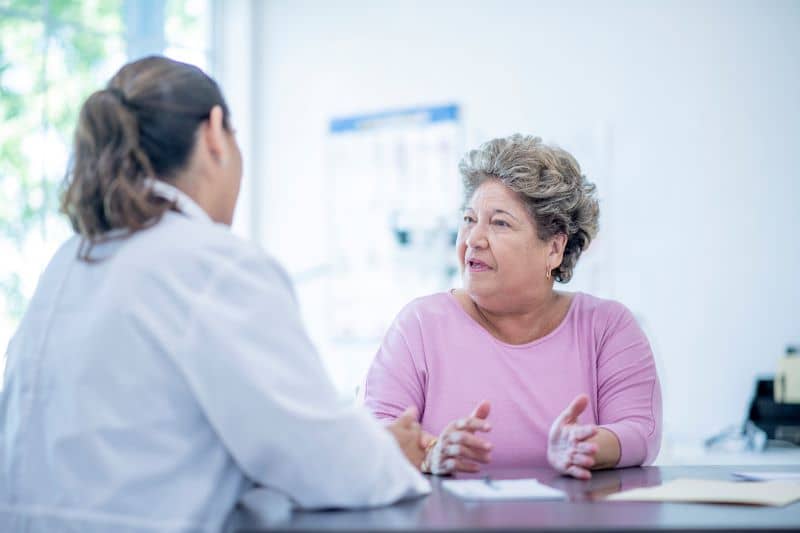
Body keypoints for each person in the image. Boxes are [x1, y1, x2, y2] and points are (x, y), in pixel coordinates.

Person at [0, 56, 430, 532]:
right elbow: (328, 465)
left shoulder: (70, 259)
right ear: (214, 134)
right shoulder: (212, 264)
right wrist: (388, 453)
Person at [365, 134, 662, 479]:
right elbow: (374, 433)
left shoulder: (607, 327)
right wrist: (432, 452)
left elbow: (642, 430)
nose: (473, 239)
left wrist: (589, 446)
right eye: (469, 219)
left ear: (553, 248)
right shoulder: (419, 325)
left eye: (499, 223)